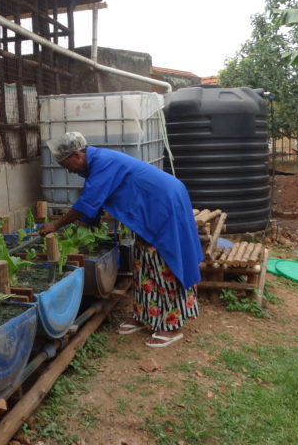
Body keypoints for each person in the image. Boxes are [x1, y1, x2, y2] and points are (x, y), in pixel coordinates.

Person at [39, 131, 203, 348]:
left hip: (163, 204)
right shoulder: (96, 165)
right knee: (144, 262)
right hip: (149, 208)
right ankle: (146, 315)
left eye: (66, 164)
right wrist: (84, 228)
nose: (67, 170)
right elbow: (92, 205)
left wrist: (56, 225)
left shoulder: (102, 162)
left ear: (77, 155)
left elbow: (86, 202)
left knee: (164, 263)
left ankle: (171, 326)